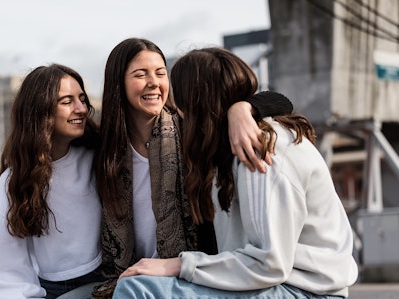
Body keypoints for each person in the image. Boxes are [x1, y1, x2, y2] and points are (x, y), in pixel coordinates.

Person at [112, 47, 359, 298]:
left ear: (196, 102)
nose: (179, 109)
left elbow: (269, 263)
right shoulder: (213, 148)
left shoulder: (259, 148)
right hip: (262, 279)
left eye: (182, 98)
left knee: (136, 289)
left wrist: (179, 264)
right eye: (140, 74)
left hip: (304, 289)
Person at [89, 38, 294, 298]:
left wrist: (243, 109)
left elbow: (282, 101)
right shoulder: (103, 147)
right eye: (140, 75)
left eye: (160, 73)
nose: (154, 82)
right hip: (125, 277)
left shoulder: (192, 131)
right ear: (118, 83)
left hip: (191, 273)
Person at [0, 64, 104, 299]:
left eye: (81, 99)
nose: (81, 109)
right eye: (67, 101)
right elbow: (6, 267)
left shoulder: (99, 158)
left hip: (108, 280)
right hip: (52, 290)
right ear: (40, 109)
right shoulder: (16, 179)